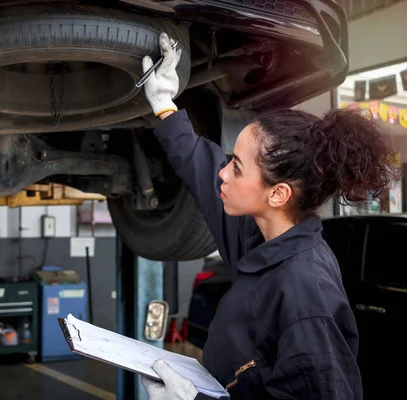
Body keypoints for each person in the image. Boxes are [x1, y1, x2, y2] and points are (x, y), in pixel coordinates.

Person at [139, 33, 398, 400]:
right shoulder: (259, 235)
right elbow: (201, 164)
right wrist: (164, 104)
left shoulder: (306, 297)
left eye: (238, 168)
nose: (223, 174)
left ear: (278, 194)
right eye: (231, 160)